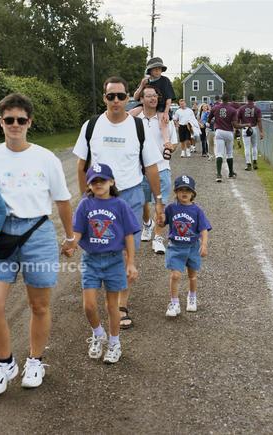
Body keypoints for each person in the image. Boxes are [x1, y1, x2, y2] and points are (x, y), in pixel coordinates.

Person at [0, 93, 74, 395]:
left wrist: (70, 237)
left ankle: (35, 361)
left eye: (21, 120)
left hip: (38, 232)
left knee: (39, 304)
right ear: (0, 122)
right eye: (8, 120)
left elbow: (63, 200)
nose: (15, 125)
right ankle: (6, 364)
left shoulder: (45, 158)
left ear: (29, 122)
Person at [73, 76, 164, 329]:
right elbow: (81, 166)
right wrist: (84, 199)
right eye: (111, 96)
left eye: (121, 96)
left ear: (128, 98)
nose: (116, 100)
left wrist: (158, 201)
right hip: (99, 198)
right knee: (99, 247)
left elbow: (151, 167)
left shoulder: (137, 127)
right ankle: (97, 290)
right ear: (104, 98)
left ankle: (121, 304)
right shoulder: (91, 126)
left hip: (131, 196)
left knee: (127, 250)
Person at [68, 163, 140, 364]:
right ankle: (99, 334)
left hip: (114, 260)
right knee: (89, 306)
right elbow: (78, 232)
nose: (98, 184)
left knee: (112, 306)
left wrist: (131, 262)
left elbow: (128, 235)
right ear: (89, 185)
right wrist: (71, 245)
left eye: (102, 180)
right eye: (94, 181)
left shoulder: (120, 205)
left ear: (111, 182)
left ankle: (115, 342)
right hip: (91, 260)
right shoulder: (85, 204)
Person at [160, 175, 211, 316]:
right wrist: (160, 219)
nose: (184, 193)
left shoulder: (197, 210)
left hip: (192, 247)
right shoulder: (171, 208)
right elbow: (162, 223)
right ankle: (174, 302)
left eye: (187, 190)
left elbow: (203, 229)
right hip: (175, 247)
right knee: (175, 275)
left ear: (193, 193)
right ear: (176, 192)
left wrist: (204, 244)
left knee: (192, 275)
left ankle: (192, 297)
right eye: (181, 190)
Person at [138, 85, 178, 254]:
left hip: (161, 168)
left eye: (155, 95)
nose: (153, 98)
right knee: (142, 204)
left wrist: (171, 147)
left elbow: (174, 143)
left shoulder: (164, 119)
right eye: (149, 96)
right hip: (139, 171)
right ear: (141, 99)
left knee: (160, 203)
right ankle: (147, 225)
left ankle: (158, 238)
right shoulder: (134, 119)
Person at [132, 57, 176, 144]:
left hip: (161, 105)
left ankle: (167, 142)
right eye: (155, 69)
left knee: (161, 119)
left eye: (159, 69)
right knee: (131, 112)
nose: (157, 71)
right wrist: (141, 85)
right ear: (150, 70)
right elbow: (135, 97)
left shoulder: (165, 80)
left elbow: (169, 98)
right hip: (147, 105)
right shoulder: (146, 81)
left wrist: (166, 112)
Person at [207, 93, 250, 182]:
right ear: (229, 99)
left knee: (219, 153)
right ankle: (230, 173)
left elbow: (209, 119)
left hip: (219, 131)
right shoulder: (233, 110)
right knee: (229, 154)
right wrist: (246, 125)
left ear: (221, 99)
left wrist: (213, 121)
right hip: (228, 132)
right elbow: (236, 125)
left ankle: (219, 174)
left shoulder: (215, 108)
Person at [238, 93, 264, 171]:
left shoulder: (242, 108)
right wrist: (261, 131)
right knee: (254, 146)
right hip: (254, 128)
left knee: (247, 147)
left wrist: (238, 129)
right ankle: (255, 162)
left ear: (247, 99)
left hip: (245, 128)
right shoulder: (257, 109)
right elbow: (259, 121)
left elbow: (238, 119)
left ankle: (248, 164)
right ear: (254, 99)